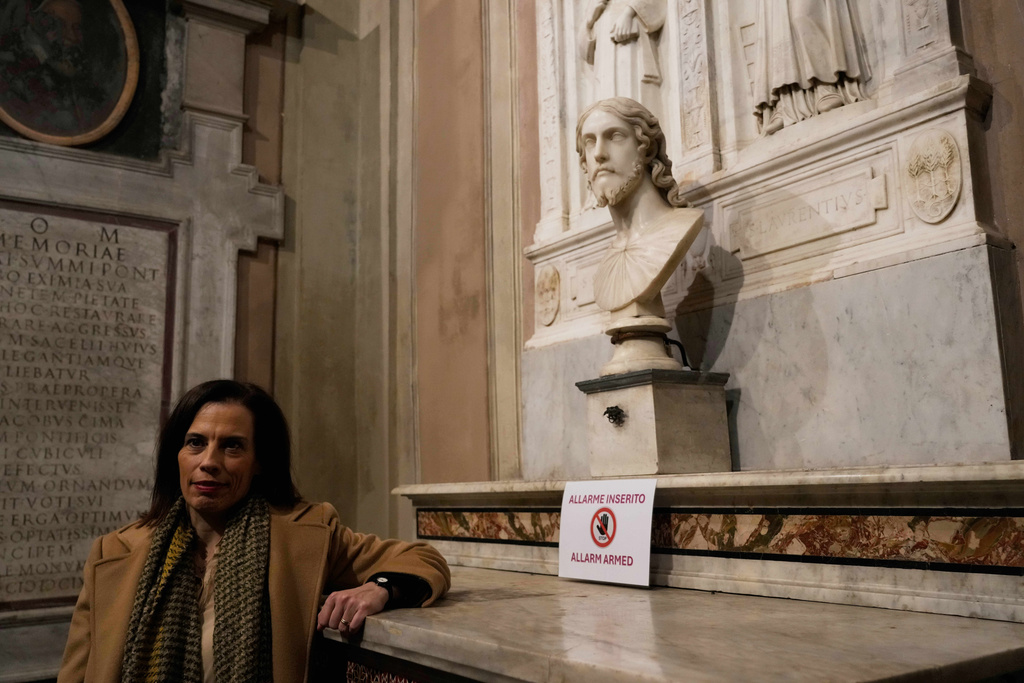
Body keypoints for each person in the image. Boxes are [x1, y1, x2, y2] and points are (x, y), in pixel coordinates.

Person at [57, 380, 450, 683]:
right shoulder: (116, 552)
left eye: (232, 446)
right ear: (176, 455)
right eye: (196, 443)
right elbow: (76, 672)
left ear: (259, 461)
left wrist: (378, 586)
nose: (209, 462)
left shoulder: (304, 535)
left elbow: (424, 558)